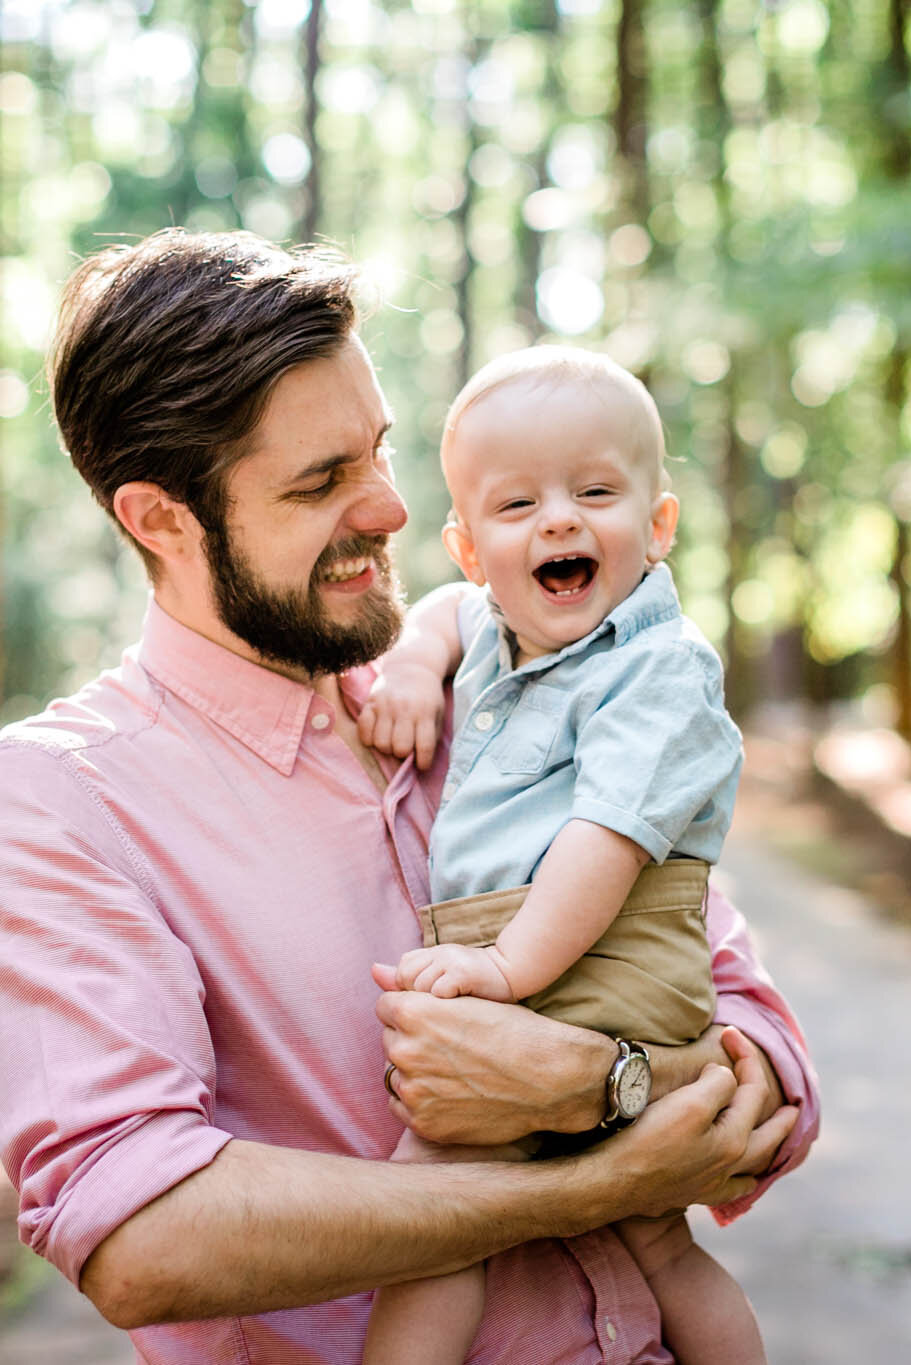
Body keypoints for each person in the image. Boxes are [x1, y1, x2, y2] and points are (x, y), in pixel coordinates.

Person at [0, 228, 820, 1363]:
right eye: (321, 481)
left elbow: (764, 1056)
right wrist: (580, 1181)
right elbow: (138, 1233)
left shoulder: (527, 679)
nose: (390, 511)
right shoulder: (60, 800)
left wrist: (603, 1082)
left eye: (380, 452)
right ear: (159, 518)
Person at [357, 346, 762, 1364]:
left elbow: (603, 842)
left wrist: (502, 973)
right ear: (467, 548)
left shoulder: (656, 666)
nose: (559, 521)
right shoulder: (493, 627)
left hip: (603, 950)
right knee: (647, 1236)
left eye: (594, 492)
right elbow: (445, 613)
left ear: (657, 525)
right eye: (516, 506)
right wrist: (412, 660)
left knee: (431, 1200)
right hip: (551, 949)